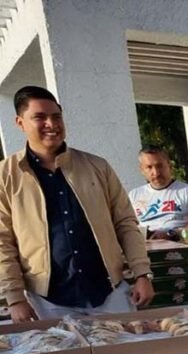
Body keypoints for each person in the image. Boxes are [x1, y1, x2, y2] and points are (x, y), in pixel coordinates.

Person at [0, 86, 153, 322]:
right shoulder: (6, 176)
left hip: (108, 292)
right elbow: (3, 242)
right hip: (48, 300)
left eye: (56, 116)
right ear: (20, 123)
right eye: (40, 117)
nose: (51, 124)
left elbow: (125, 223)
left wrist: (142, 273)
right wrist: (15, 298)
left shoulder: (97, 167)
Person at [129, 145, 188, 240]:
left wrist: (171, 234)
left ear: (169, 166)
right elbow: (127, 225)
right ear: (142, 170)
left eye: (159, 166)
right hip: (145, 249)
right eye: (149, 167)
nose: (155, 172)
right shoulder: (134, 195)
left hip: (179, 248)